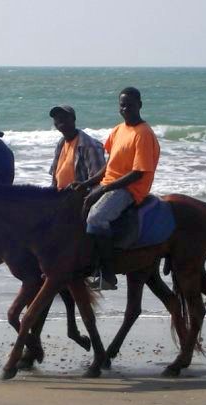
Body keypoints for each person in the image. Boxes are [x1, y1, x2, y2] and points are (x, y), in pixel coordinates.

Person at [74, 87, 160, 290]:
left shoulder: (143, 133)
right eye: (122, 105)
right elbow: (110, 165)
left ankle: (108, 274)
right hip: (109, 184)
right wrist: (87, 184)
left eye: (130, 104)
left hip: (130, 189)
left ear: (140, 105)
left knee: (97, 217)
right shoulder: (118, 130)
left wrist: (104, 190)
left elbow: (138, 172)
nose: (126, 108)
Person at [47, 105, 106, 190]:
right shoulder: (61, 143)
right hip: (59, 195)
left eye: (64, 116)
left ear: (73, 119)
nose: (60, 119)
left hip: (78, 196)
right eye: (56, 117)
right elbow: (54, 178)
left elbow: (98, 180)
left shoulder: (89, 145)